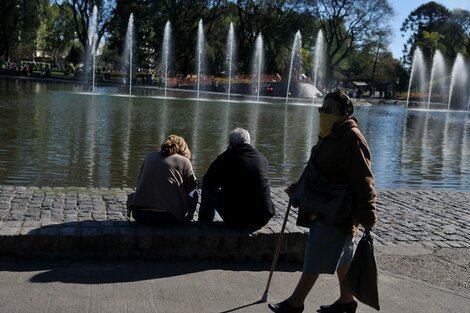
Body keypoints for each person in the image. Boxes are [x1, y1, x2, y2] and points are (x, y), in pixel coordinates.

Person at [268, 90, 377, 313]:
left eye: (328, 110)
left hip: (339, 211)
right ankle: (347, 303)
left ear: (344, 113)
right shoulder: (330, 134)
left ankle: (295, 303)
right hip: (326, 206)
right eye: (321, 109)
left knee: (315, 256)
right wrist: (299, 188)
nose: (322, 113)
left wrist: (368, 215)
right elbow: (315, 169)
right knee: (343, 259)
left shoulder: (352, 138)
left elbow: (364, 180)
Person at [198, 127, 275, 230]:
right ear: (248, 141)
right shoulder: (262, 158)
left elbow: (208, 182)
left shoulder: (225, 158)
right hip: (262, 217)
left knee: (207, 190)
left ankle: (204, 223)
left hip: (237, 219)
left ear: (230, 144)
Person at [128, 135, 198, 226]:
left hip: (139, 214)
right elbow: (192, 186)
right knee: (194, 193)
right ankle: (189, 218)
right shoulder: (184, 161)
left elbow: (139, 181)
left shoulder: (150, 156)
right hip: (168, 217)